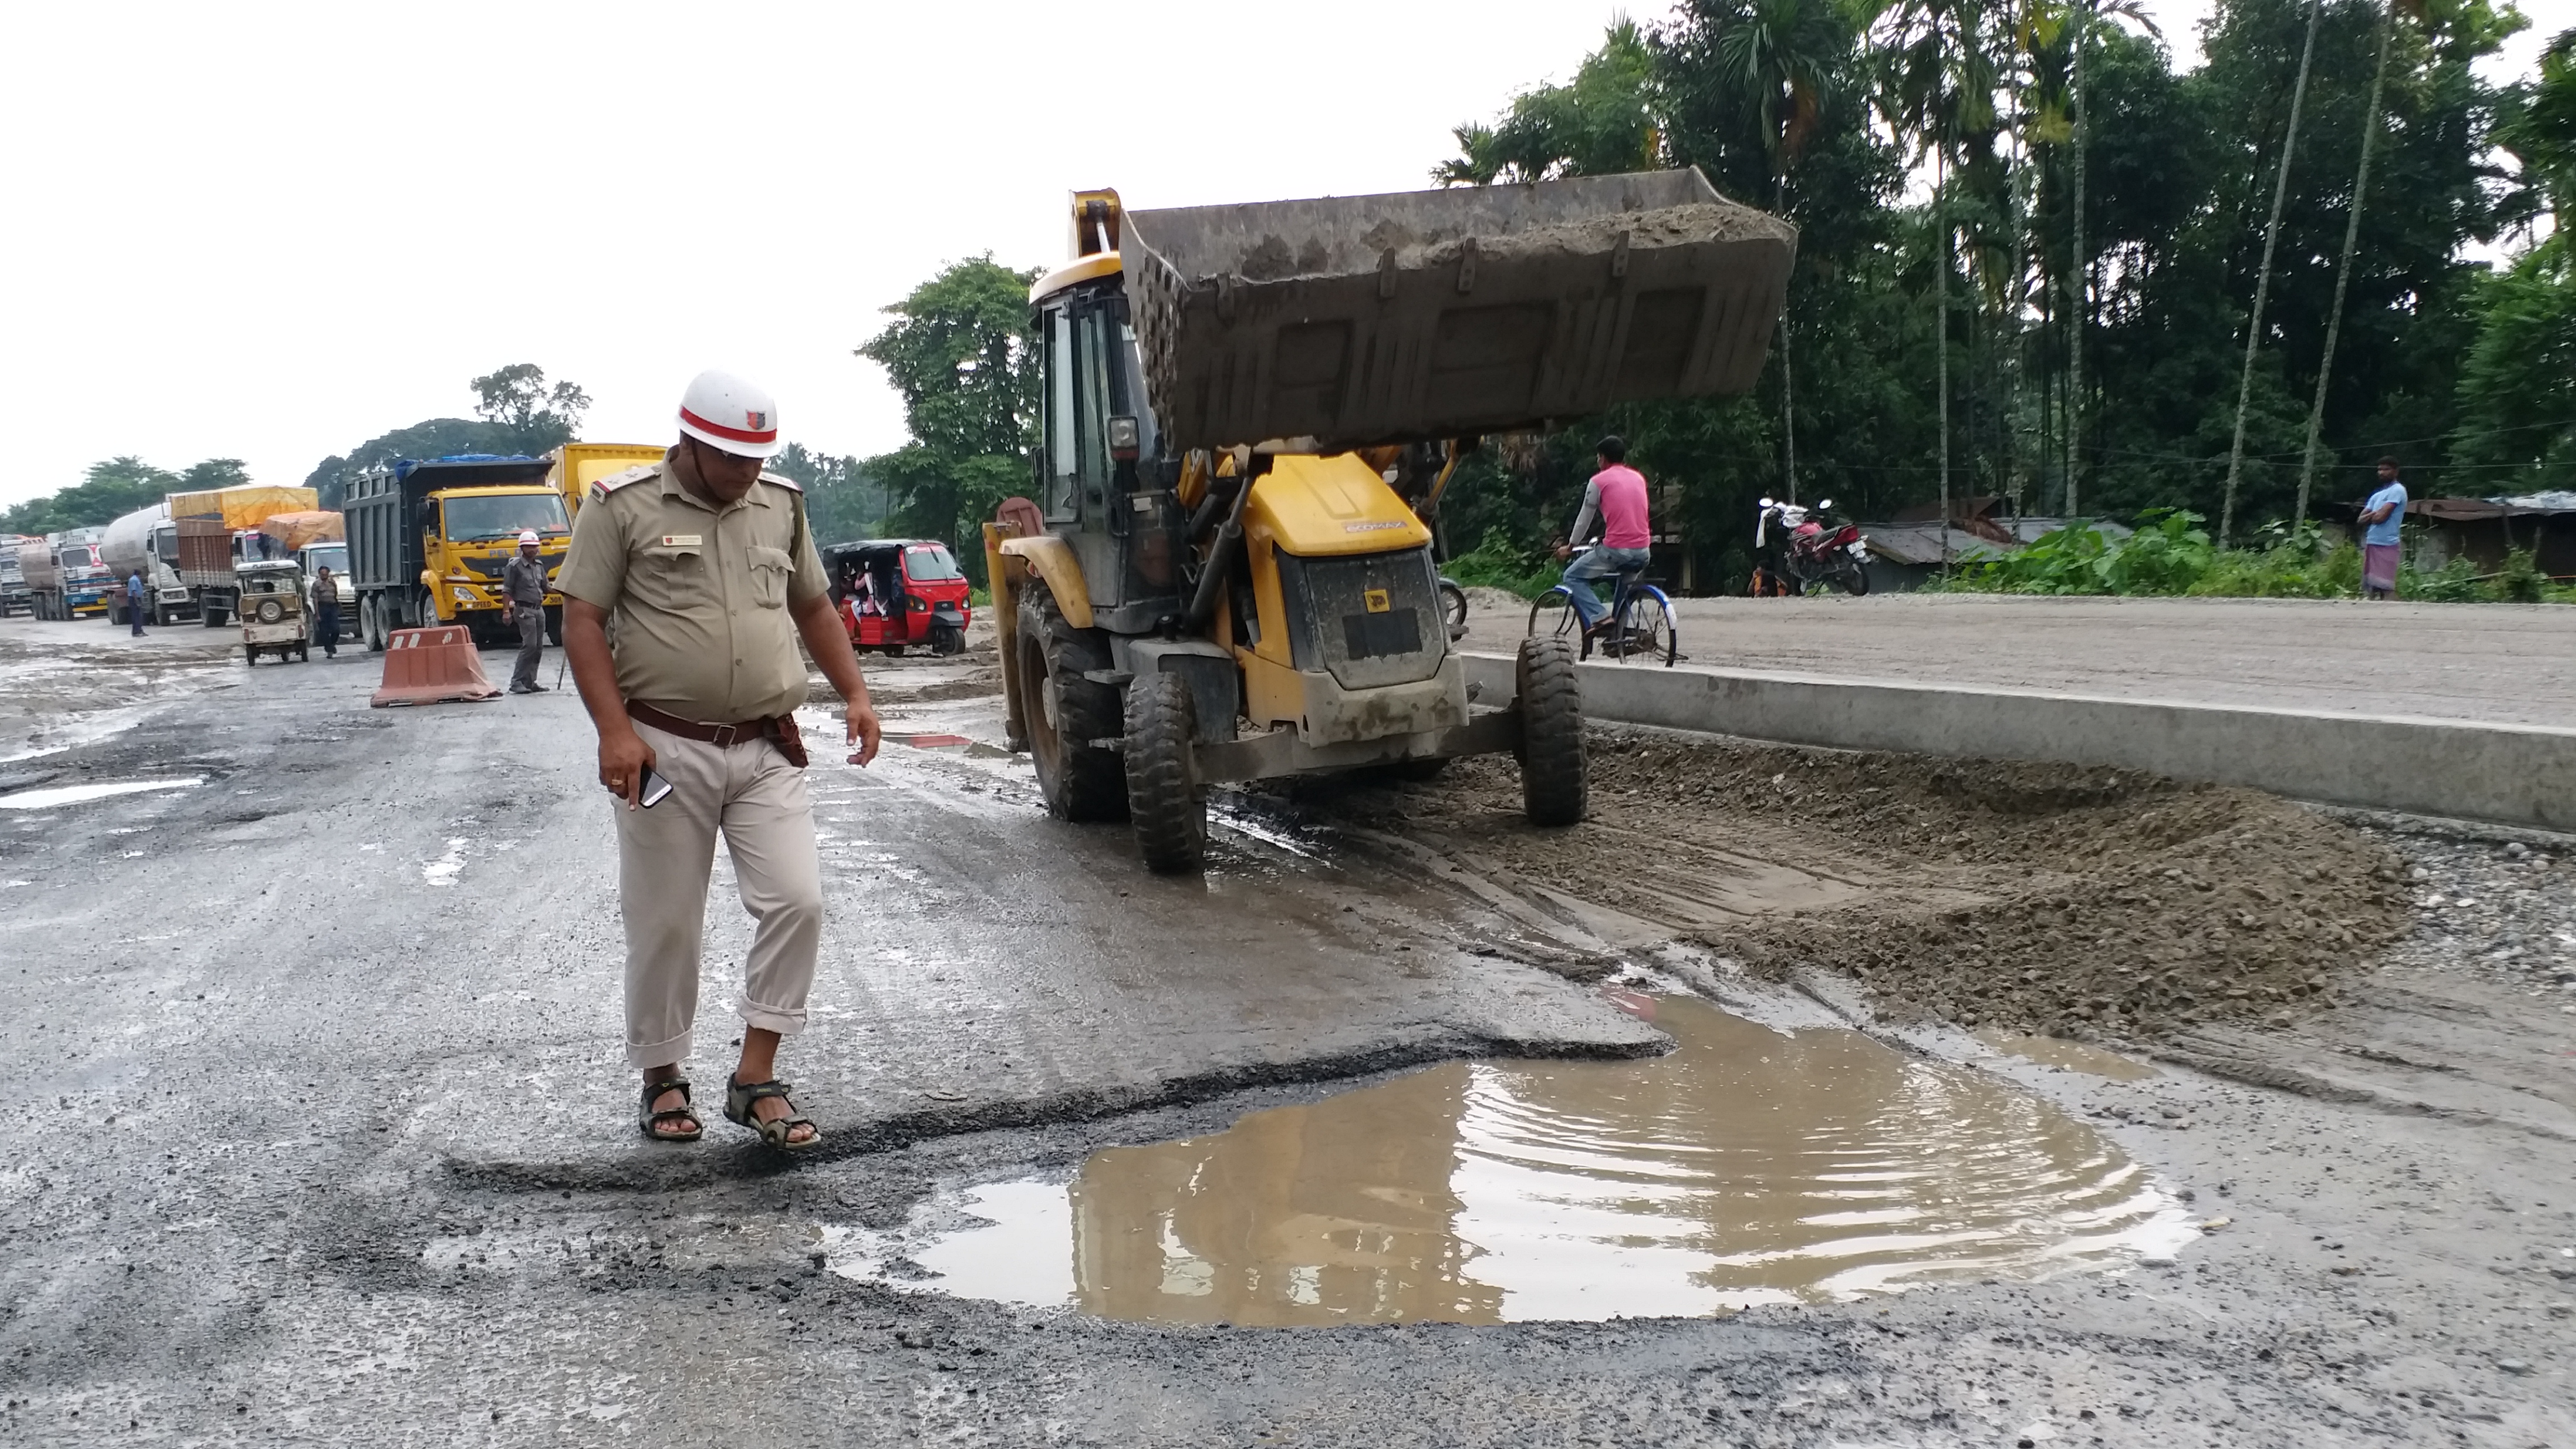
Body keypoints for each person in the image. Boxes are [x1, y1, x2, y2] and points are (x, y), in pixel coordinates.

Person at [557, 369, 883, 1150]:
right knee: (667, 922)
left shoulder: (781, 504)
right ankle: (664, 1076)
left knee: (798, 902)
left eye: (757, 458)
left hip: (767, 744)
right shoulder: (622, 507)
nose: (747, 473)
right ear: (692, 443)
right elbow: (583, 621)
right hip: (664, 748)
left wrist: (857, 693)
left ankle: (755, 1076)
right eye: (733, 458)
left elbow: (812, 606)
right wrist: (614, 732)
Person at [1552, 435, 1654, 632]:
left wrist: (1570, 546)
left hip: (1617, 550)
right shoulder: (1638, 478)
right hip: (1643, 551)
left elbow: (1585, 518)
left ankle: (1600, 616)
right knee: (1625, 584)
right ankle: (1618, 634)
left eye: (1598, 457)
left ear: (1603, 458)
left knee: (1572, 577)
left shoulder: (1598, 481)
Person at [501, 531, 552, 693]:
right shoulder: (514, 567)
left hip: (539, 610)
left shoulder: (539, 566)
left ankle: (530, 682)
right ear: (522, 548)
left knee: (538, 648)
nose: (533, 550)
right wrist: (506, 611)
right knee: (529, 646)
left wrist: (567, 590)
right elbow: (507, 590)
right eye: (529, 547)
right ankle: (516, 682)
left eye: (535, 547)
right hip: (524, 610)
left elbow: (546, 588)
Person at [2359, 457, 2408, 601]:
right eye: (2380, 469)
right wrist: (2374, 514)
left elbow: (2380, 518)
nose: (2381, 472)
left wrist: (2372, 515)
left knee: (2386, 588)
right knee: (2372, 590)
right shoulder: (2376, 496)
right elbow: (2360, 520)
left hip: (2388, 543)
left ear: (2396, 472)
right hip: (2372, 542)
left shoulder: (2398, 490)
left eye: (2386, 469)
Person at [310, 565, 342, 658]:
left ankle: (332, 645)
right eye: (322, 574)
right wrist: (317, 614)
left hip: (332, 607)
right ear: (319, 574)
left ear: (328, 574)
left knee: (336, 629)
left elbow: (335, 595)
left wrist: (338, 607)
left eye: (326, 574)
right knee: (324, 631)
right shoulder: (316, 584)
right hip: (322, 608)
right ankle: (329, 649)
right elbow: (315, 599)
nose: (324, 575)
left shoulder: (332, 583)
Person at [125, 567, 147, 636]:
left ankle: (139, 630)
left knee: (138, 616)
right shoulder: (134, 580)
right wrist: (137, 601)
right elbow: (134, 591)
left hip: (136, 598)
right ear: (139, 574)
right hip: (134, 599)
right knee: (136, 616)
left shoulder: (135, 579)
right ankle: (136, 632)